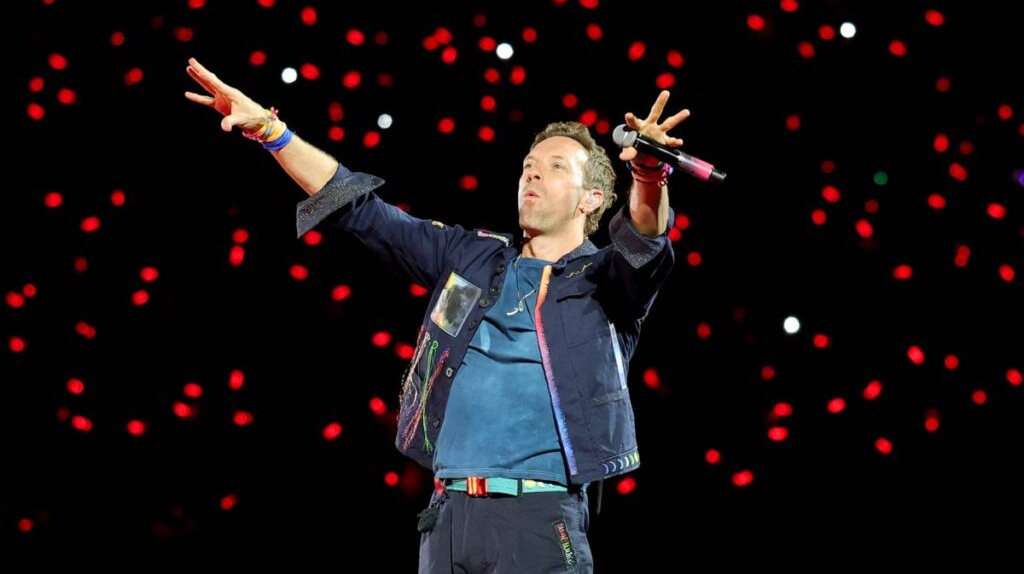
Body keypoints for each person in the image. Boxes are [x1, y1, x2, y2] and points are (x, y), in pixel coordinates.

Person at [186, 56, 689, 573]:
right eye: (528, 164)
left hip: (538, 519)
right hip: (446, 518)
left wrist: (649, 172)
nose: (532, 171)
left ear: (591, 199)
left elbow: (645, 240)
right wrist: (271, 131)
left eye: (556, 166)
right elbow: (361, 209)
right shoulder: (471, 257)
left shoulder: (605, 280)